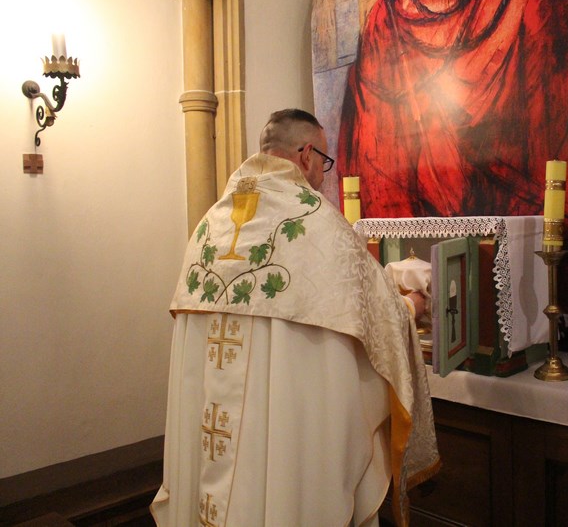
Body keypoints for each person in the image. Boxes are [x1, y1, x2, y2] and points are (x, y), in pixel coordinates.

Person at [151, 109, 440, 526]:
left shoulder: (210, 225)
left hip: (210, 426)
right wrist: (412, 304)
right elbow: (381, 322)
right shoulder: (316, 223)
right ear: (306, 155)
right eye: (324, 161)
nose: (322, 173)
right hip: (282, 435)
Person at [337, 0, 568, 314]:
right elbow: (377, 141)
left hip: (524, 197)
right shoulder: (385, 19)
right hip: (429, 225)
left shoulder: (532, 4)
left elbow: (566, 46)